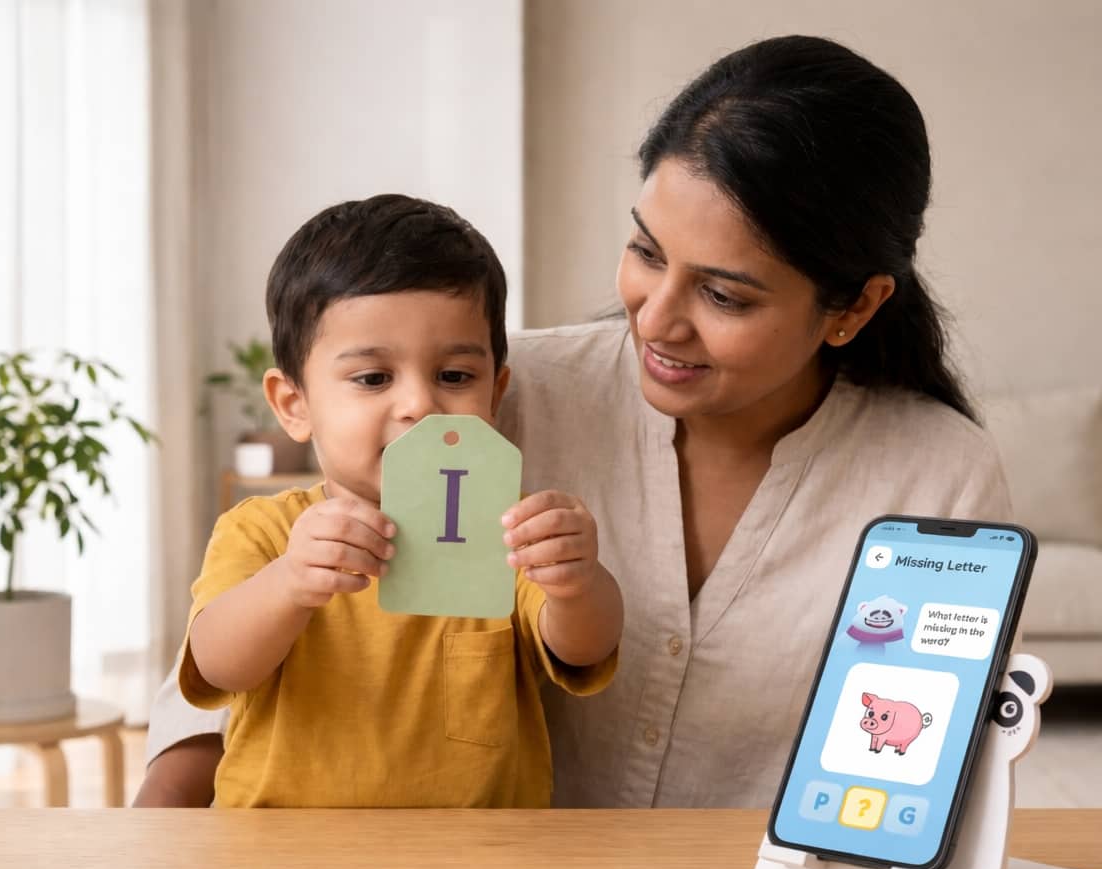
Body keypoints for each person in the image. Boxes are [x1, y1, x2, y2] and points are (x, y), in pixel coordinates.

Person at [135, 35, 1010, 809]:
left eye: (722, 293)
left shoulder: (937, 475)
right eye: (645, 252)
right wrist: (170, 831)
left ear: (854, 307)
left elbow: (917, 762)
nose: (655, 319)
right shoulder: (478, 401)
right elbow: (226, 662)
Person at [177, 194, 621, 808]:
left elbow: (583, 648)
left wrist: (578, 581)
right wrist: (288, 583)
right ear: (293, 405)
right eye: (373, 379)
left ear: (495, 394)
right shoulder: (265, 528)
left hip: (479, 864)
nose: (419, 405)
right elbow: (218, 666)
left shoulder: (504, 524)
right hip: (283, 866)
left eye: (455, 377)